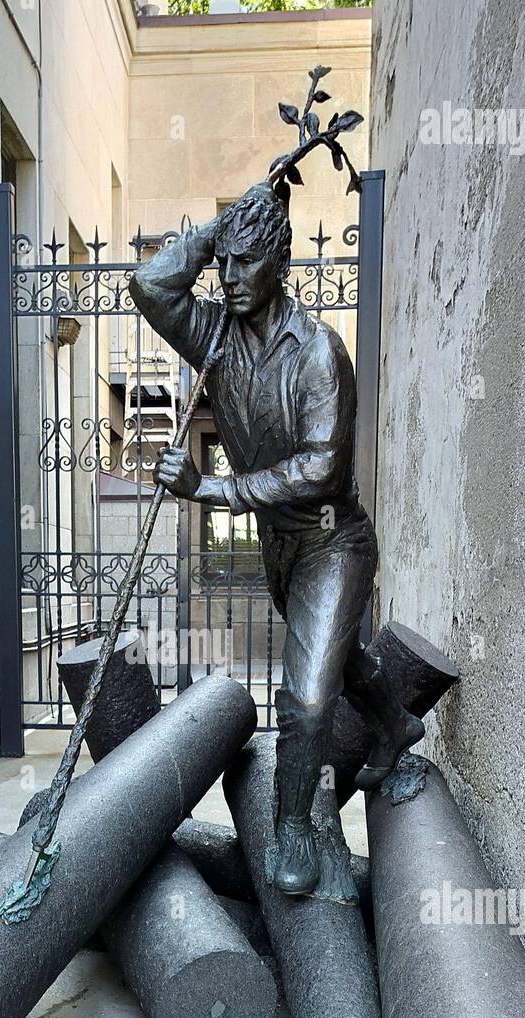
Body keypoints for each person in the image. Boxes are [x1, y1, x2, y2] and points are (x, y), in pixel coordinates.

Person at [129, 183, 423, 896]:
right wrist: (218, 225)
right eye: (222, 263)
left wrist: (213, 491)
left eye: (244, 264)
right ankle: (396, 728)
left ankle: (293, 824)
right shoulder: (215, 337)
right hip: (282, 549)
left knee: (309, 697)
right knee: (342, 660)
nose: (228, 279)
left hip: (333, 543)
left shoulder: (320, 351)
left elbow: (323, 470)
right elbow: (148, 283)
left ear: (280, 264)